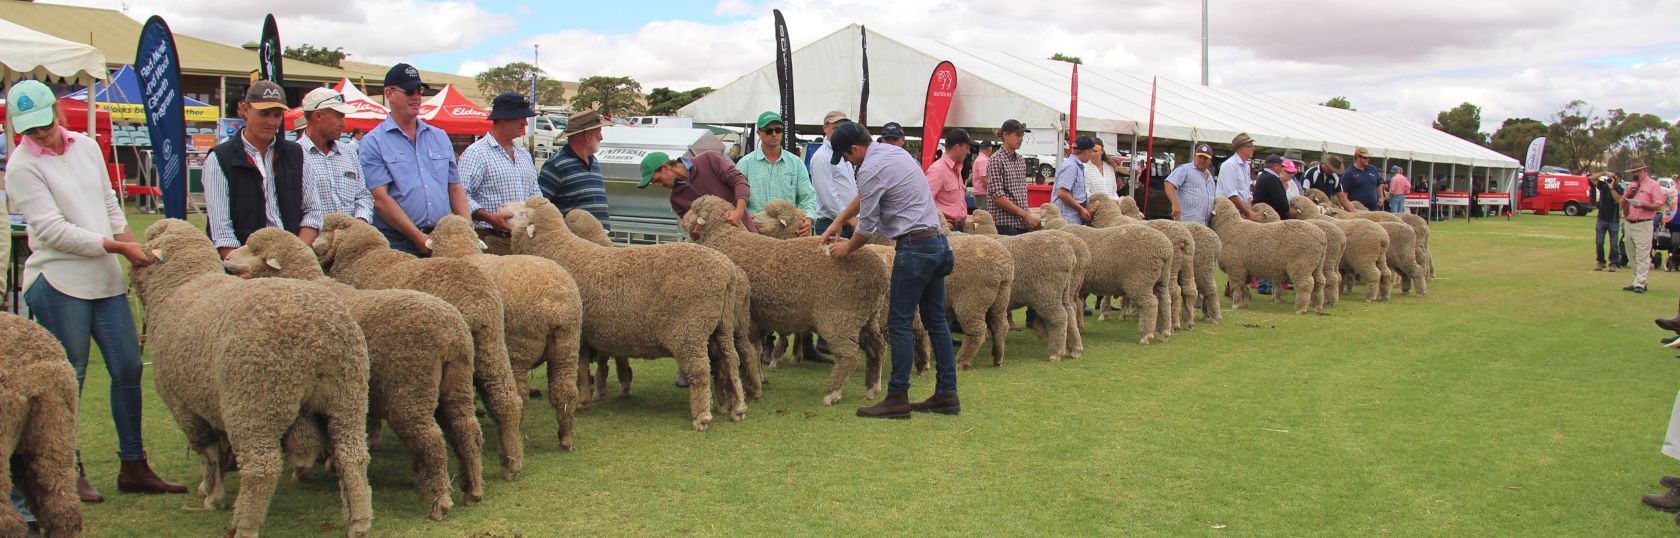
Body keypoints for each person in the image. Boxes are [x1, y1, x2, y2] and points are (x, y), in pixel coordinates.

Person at [4, 80, 188, 511]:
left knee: (127, 367)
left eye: (45, 124)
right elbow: (51, 230)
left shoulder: (86, 147)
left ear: (57, 113)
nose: (39, 134)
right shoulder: (21, 166)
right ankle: (66, 472)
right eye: (29, 129)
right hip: (58, 278)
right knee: (70, 380)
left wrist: (131, 245)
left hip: (103, 276)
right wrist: (118, 247)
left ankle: (134, 465)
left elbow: (108, 206)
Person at [818, 121, 960, 419]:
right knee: (936, 321)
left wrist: (846, 247)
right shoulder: (895, 154)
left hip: (914, 249)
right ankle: (947, 394)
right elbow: (866, 197)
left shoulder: (869, 169)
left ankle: (897, 398)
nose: (846, 161)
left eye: (845, 155)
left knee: (899, 323)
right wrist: (839, 220)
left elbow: (867, 227)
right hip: (938, 244)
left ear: (856, 149)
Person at [202, 80, 324, 258]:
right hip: (243, 264)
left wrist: (296, 255)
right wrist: (244, 267)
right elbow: (221, 231)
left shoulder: (297, 154)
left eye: (277, 115)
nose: (271, 122)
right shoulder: (220, 159)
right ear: (245, 110)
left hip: (292, 258)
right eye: (264, 113)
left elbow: (313, 212)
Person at [360, 63, 468, 256]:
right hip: (397, 242)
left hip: (442, 237)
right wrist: (417, 236)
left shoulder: (440, 136)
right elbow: (380, 199)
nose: (417, 97)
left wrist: (467, 231)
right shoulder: (373, 142)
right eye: (410, 91)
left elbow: (455, 187)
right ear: (389, 94)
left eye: (419, 91)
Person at [460, 92, 541, 255]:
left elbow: (535, 194)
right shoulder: (476, 153)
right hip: (492, 239)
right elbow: (461, 195)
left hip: (525, 240)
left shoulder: (524, 154)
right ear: (504, 118)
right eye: (521, 117)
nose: (525, 123)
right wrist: (488, 217)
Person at [298, 88, 373, 224]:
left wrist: (360, 224)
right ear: (318, 116)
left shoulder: (348, 152)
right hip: (315, 241)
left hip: (353, 240)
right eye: (339, 116)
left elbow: (363, 196)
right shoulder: (296, 155)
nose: (343, 124)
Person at [738, 111, 817, 231]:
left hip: (788, 232)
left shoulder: (796, 163)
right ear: (759, 133)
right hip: (756, 233)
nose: (774, 134)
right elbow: (736, 199)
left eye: (778, 130)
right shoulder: (745, 165)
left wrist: (809, 219)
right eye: (769, 131)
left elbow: (807, 197)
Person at [537, 110, 610, 232]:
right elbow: (539, 206)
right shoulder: (557, 166)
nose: (601, 138)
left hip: (599, 242)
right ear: (587, 135)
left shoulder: (594, 161)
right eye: (598, 132)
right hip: (574, 246)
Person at [810, 110, 859, 238]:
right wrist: (852, 222)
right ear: (825, 128)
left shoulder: (843, 153)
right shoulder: (822, 157)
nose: (840, 132)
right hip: (833, 223)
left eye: (842, 128)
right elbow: (829, 199)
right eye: (836, 128)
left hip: (846, 222)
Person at [986, 119, 1038, 235]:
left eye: (1022, 135)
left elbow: (1021, 193)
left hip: (1021, 222)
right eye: (1017, 135)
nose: (1021, 139)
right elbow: (998, 197)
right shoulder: (996, 160)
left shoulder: (1020, 160)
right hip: (1004, 223)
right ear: (1005, 135)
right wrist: (1025, 214)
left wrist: (1026, 215)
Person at [1623, 160, 1663, 293]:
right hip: (1630, 222)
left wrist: (1642, 205)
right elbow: (1622, 202)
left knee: (1642, 254)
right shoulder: (1632, 186)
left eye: (1638, 171)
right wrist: (1628, 195)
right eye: (1634, 172)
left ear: (1645, 171)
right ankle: (1637, 280)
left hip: (1644, 223)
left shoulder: (1653, 185)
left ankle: (1640, 282)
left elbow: (1658, 204)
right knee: (1631, 254)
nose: (1636, 174)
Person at [926, 128, 973, 227]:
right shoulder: (938, 170)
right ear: (957, 147)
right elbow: (924, 201)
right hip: (947, 229)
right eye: (967, 147)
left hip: (957, 227)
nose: (968, 152)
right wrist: (940, 223)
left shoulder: (956, 168)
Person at [1164, 144, 1218, 225]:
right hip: (1186, 222)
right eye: (1200, 157)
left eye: (1205, 158)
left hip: (1204, 225)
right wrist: (1175, 204)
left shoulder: (1210, 176)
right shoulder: (1185, 169)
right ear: (1194, 156)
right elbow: (1169, 183)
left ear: (1210, 160)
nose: (1202, 160)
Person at [1053, 136, 1095, 225]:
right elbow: (1062, 193)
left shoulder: (1076, 166)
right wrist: (1081, 209)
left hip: (1072, 218)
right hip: (1067, 220)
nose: (1093, 155)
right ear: (1087, 152)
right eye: (1092, 151)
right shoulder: (1071, 166)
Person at [1217, 133, 1258, 220]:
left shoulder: (1246, 166)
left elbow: (1247, 192)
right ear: (1241, 148)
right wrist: (1247, 213)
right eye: (1250, 146)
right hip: (1228, 215)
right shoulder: (1229, 165)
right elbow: (1231, 195)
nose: (1253, 149)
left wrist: (1249, 211)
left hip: (1241, 214)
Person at [1592, 172, 1627, 271]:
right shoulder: (1604, 186)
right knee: (1599, 242)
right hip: (1601, 219)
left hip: (1613, 221)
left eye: (1616, 178)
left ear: (1620, 179)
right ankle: (1601, 261)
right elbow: (1591, 178)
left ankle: (1614, 263)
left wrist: (1612, 187)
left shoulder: (1621, 189)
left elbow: (1618, 200)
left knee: (1614, 245)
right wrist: (1604, 172)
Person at [1252, 154, 1294, 219]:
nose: (1281, 169)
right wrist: (1287, 211)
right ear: (1276, 166)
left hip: (1263, 213)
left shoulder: (1263, 176)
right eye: (1281, 166)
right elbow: (1280, 200)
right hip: (1270, 217)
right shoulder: (1272, 179)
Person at [972, 141, 993, 213]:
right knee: (985, 216)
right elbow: (983, 178)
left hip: (979, 192)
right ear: (990, 150)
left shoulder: (979, 159)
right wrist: (991, 192)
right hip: (983, 193)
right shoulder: (983, 160)